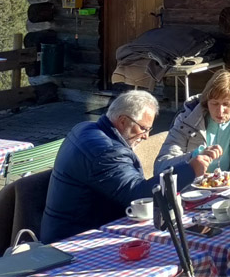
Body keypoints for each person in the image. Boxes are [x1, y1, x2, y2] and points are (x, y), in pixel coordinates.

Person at [42, 90, 209, 243]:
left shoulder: (86, 128)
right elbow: (138, 196)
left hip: (73, 227)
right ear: (122, 121)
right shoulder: (106, 152)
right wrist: (189, 170)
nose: (146, 137)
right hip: (73, 240)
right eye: (144, 129)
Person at [155, 69, 230, 175]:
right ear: (206, 102)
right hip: (192, 188)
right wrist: (194, 156)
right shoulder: (187, 120)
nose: (220, 111)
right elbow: (161, 167)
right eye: (214, 103)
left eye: (226, 104)